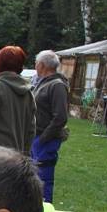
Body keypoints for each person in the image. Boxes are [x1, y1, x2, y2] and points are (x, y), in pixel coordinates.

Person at [32, 49, 70, 202]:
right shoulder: (43, 83)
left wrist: (43, 139)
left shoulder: (57, 85)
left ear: (42, 65)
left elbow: (60, 117)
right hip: (37, 137)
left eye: (36, 63)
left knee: (43, 179)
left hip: (45, 140)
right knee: (33, 178)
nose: (35, 66)